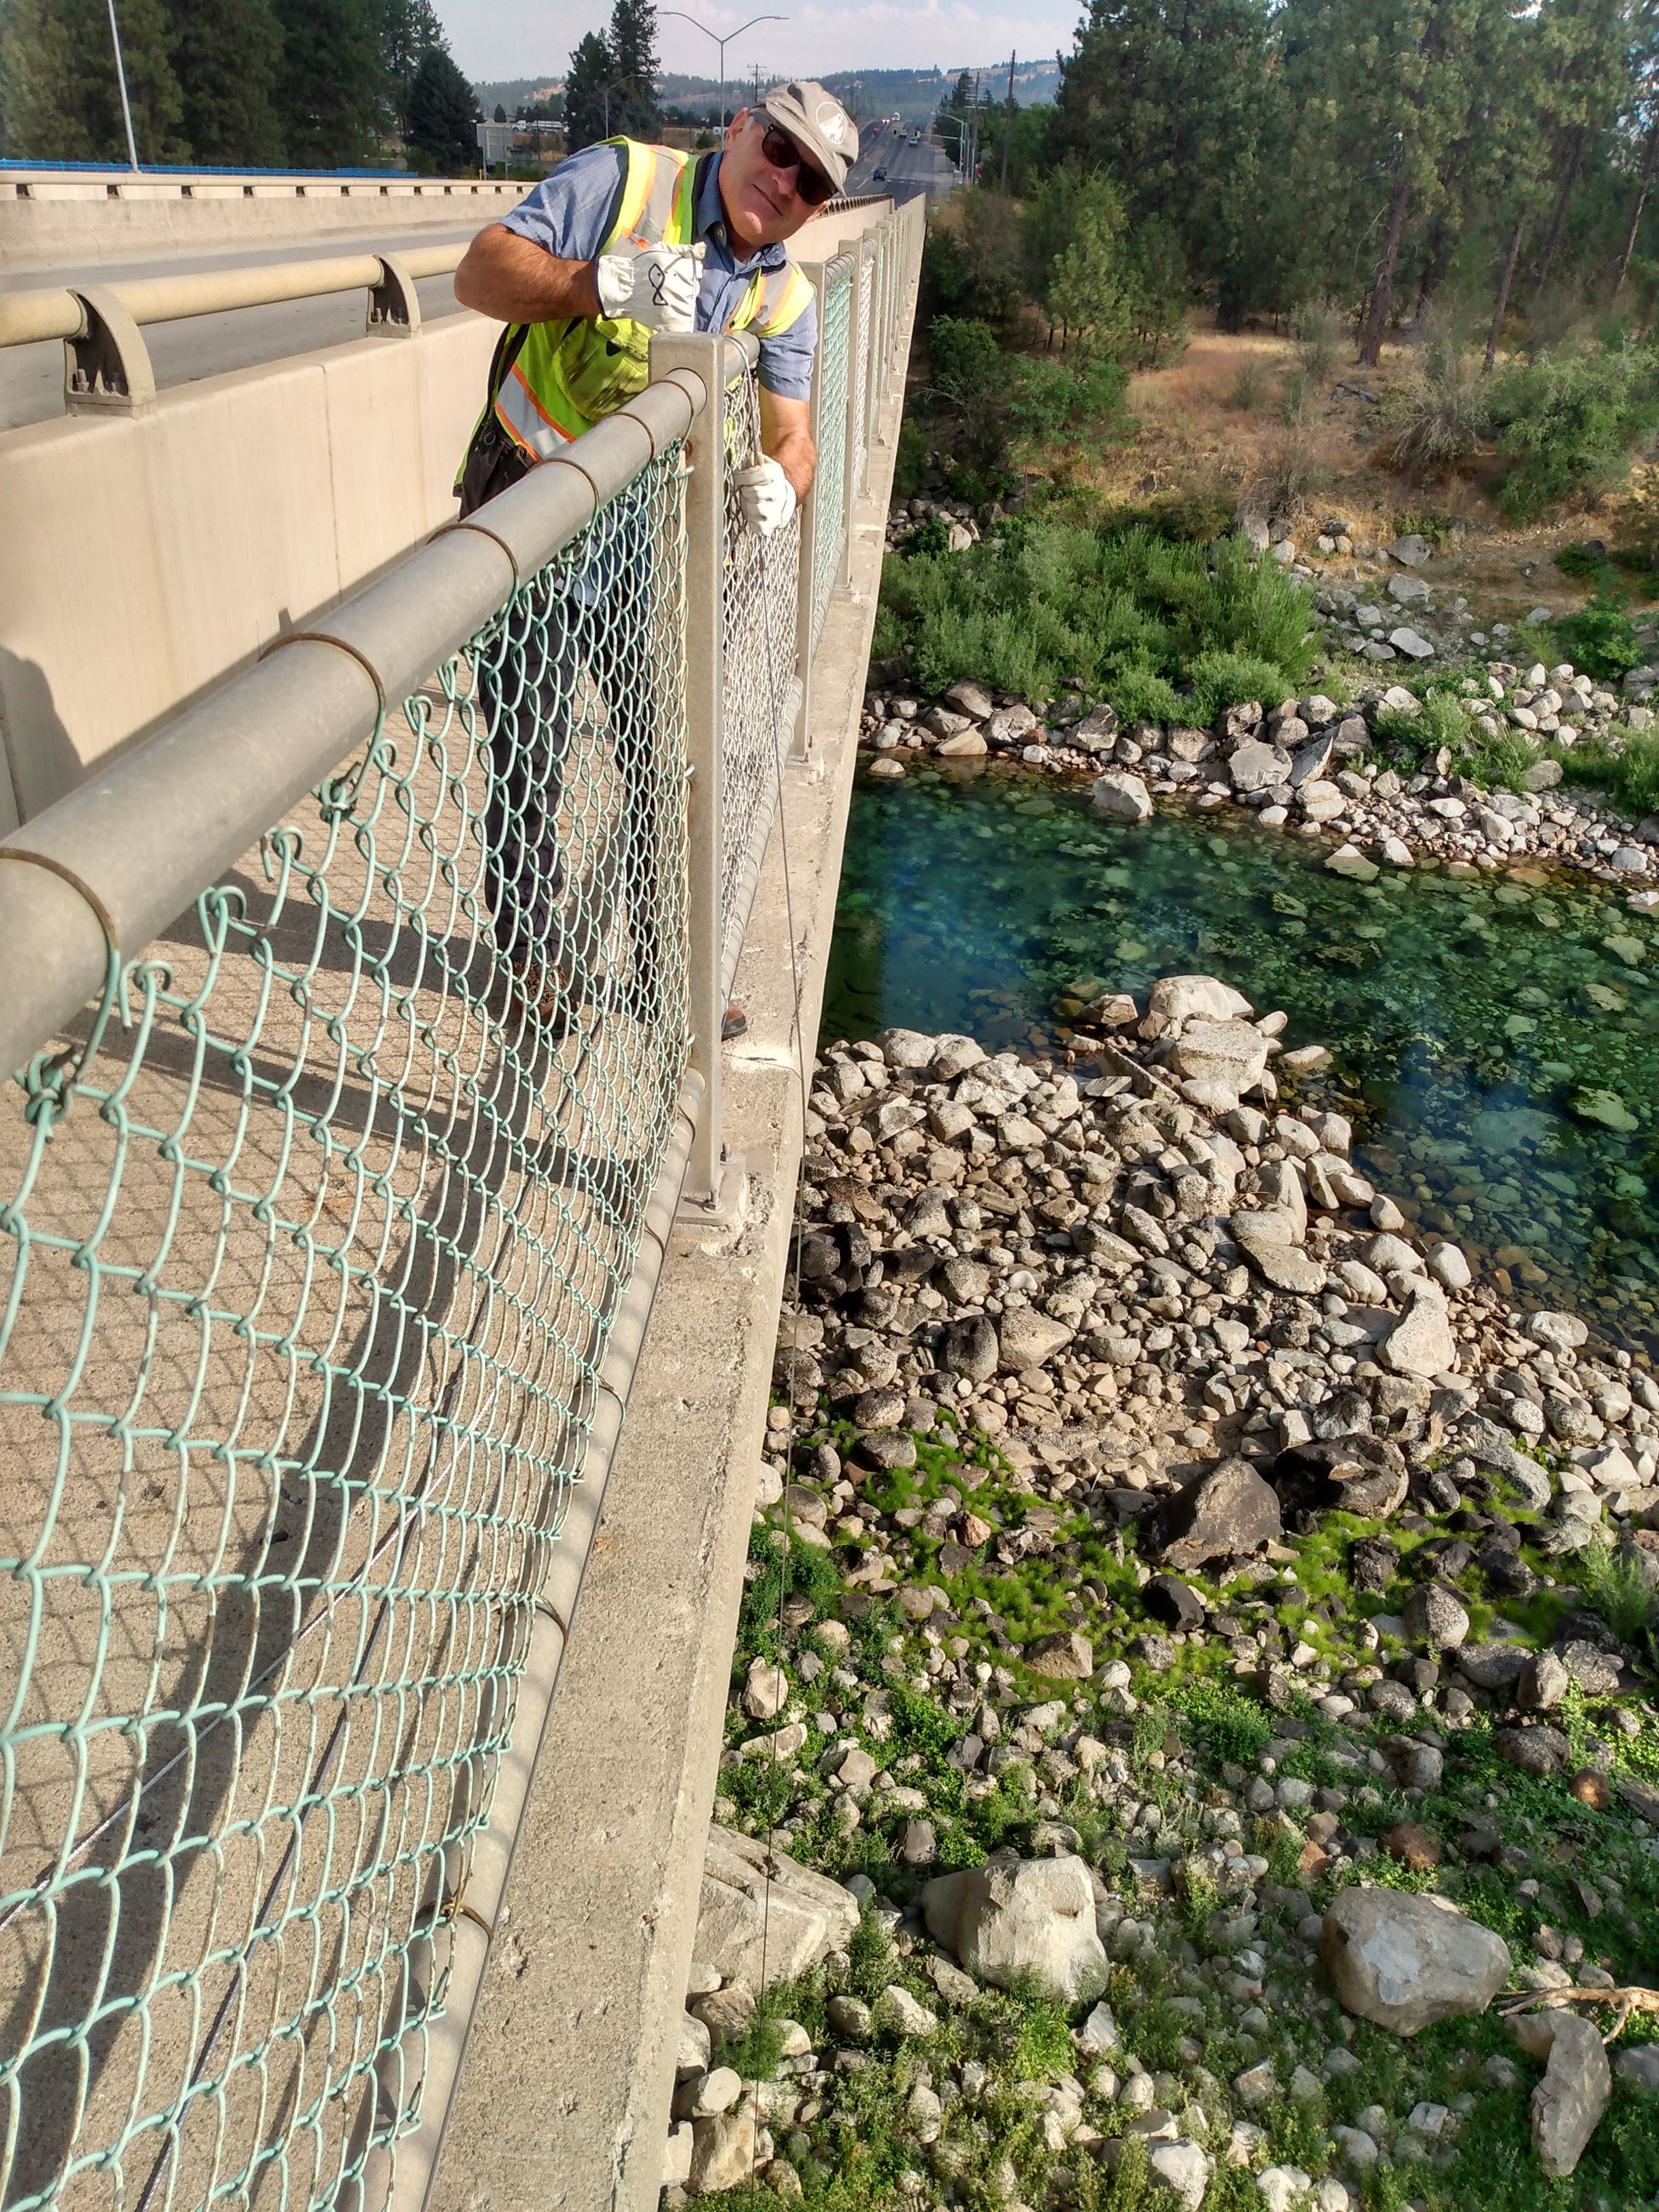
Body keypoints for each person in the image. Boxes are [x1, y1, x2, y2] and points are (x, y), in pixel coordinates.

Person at [451, 85, 858, 1039]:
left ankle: (659, 971)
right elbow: (480, 275)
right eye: (777, 147)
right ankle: (531, 963)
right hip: (527, 496)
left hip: (638, 522)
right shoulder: (628, 179)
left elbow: (795, 437)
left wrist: (784, 485)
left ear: (820, 209)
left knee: (655, 750)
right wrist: (600, 283)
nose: (783, 178)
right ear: (739, 129)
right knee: (531, 748)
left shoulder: (783, 295)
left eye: (809, 181)